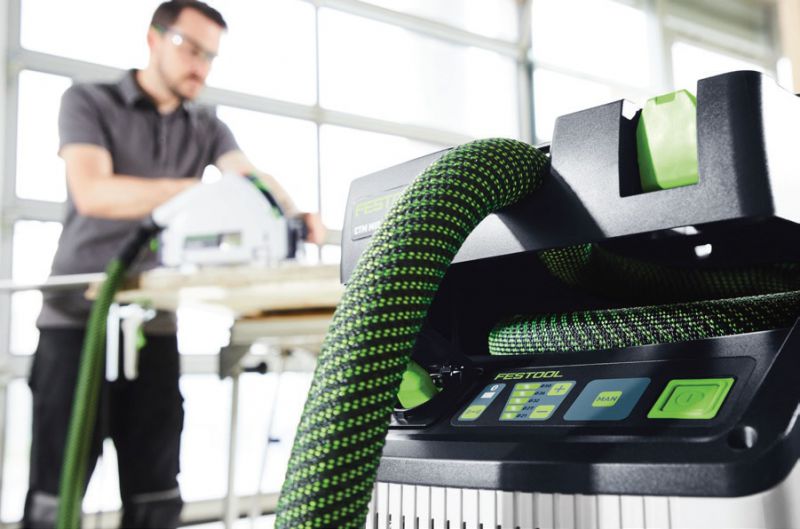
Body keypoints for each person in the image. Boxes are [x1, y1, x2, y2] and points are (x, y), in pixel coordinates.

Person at [23, 2, 324, 528]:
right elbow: (94, 191)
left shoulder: (206, 126)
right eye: (191, 50)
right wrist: (198, 193)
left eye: (211, 57)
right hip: (77, 322)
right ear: (154, 38)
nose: (200, 67)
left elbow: (247, 177)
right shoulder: (89, 100)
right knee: (55, 498)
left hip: (153, 325)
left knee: (157, 496)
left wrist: (289, 214)